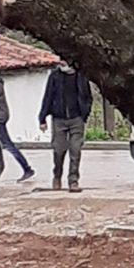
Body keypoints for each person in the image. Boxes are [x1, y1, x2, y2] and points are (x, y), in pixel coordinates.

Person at [38, 61, 92, 192]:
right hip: (59, 119)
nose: (61, 62)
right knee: (58, 150)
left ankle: (73, 181)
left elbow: (87, 97)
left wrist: (85, 114)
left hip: (76, 118)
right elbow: (48, 96)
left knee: (75, 149)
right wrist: (42, 118)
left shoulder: (81, 76)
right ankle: (57, 176)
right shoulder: (55, 76)